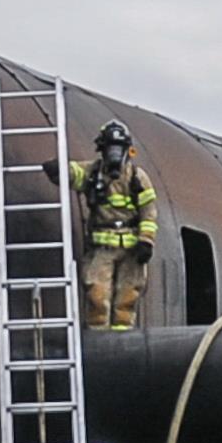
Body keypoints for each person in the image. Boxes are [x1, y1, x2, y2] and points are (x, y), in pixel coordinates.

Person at [70, 121, 159, 331]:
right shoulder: (93, 172)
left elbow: (149, 212)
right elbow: (75, 172)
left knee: (127, 297)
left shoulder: (138, 177)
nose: (114, 154)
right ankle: (99, 336)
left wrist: (146, 241)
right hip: (101, 249)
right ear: (102, 149)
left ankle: (122, 336)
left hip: (131, 250)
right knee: (97, 295)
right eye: (110, 148)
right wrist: (58, 169)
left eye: (118, 148)